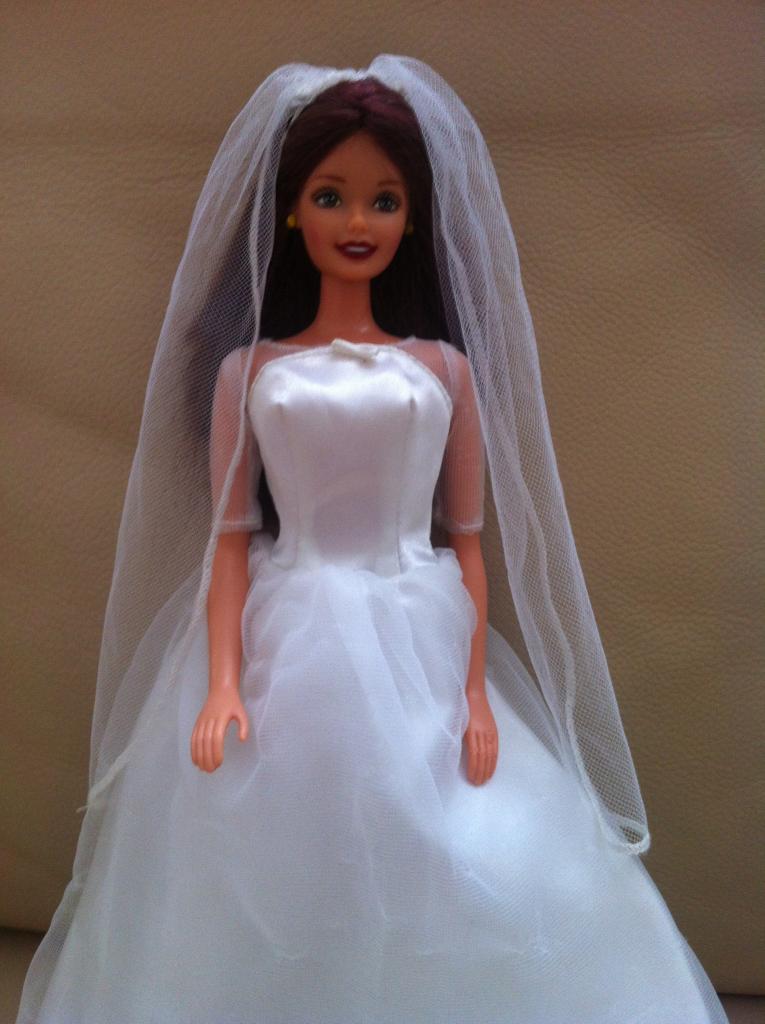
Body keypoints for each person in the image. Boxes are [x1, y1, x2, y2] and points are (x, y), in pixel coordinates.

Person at [16, 57, 729, 1023]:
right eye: (331, 195)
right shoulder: (248, 371)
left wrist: (472, 693)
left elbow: (465, 541)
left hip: (418, 621)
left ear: (412, 220)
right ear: (288, 213)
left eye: (384, 201)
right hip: (285, 622)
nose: (357, 221)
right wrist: (222, 680)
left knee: (452, 828)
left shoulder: (443, 371)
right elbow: (229, 539)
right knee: (271, 836)